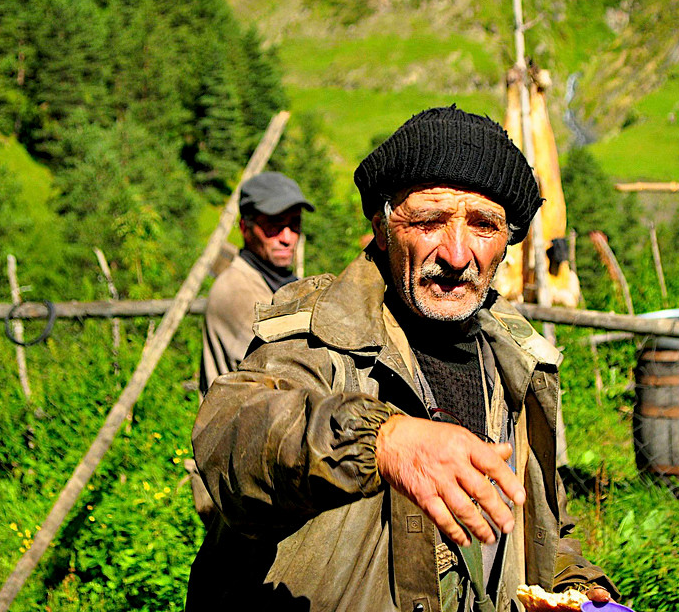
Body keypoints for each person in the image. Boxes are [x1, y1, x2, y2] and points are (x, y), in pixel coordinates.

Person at [187, 106, 619, 611]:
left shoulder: (516, 362)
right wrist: (380, 440)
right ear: (382, 224)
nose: (458, 255)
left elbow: (538, 528)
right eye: (430, 220)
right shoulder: (321, 335)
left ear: (508, 243)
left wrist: (581, 592)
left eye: (484, 225)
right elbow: (228, 435)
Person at [189, 171, 314, 520]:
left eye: (294, 225)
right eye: (274, 226)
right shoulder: (240, 294)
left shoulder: (278, 282)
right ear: (245, 228)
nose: (288, 237)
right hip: (239, 474)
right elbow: (298, 368)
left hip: (267, 459)